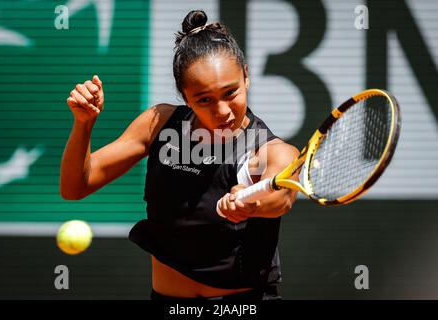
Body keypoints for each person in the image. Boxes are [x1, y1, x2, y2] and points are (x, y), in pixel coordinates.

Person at [60, 10, 299, 300]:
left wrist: (251, 202)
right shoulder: (158, 123)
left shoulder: (270, 150)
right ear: (185, 97)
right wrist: (83, 124)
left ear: (246, 77)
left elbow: (281, 198)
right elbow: (75, 186)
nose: (222, 110)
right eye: (205, 100)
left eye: (230, 93)